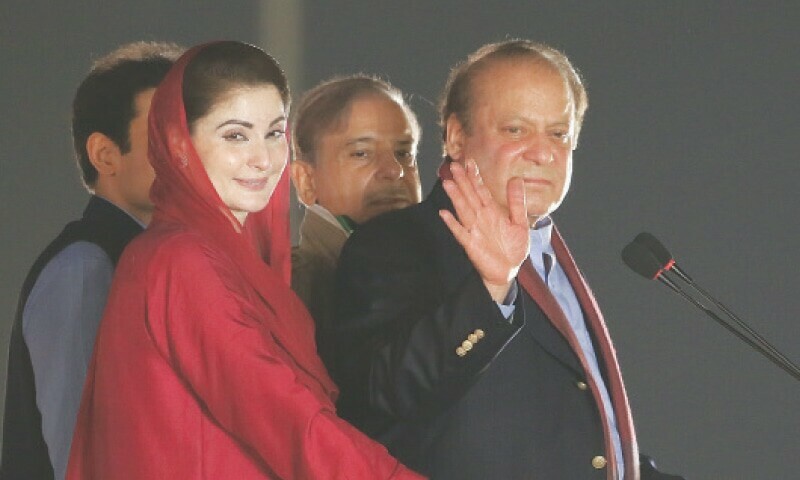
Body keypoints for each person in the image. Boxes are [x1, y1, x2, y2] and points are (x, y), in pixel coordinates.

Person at [328, 40, 684, 479]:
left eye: (559, 133)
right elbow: (385, 395)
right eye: (516, 130)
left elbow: (584, 442)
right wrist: (491, 288)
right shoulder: (395, 243)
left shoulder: (548, 254)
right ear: (456, 137)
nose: (543, 152)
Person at [65, 41, 422, 480]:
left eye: (274, 133)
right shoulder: (180, 260)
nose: (263, 159)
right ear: (179, 143)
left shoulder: (220, 258)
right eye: (235, 135)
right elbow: (285, 419)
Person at [1, 41, 183, 480]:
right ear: (104, 154)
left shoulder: (155, 261)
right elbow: (83, 458)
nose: (189, 156)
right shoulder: (84, 269)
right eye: (166, 135)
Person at [290, 75, 421, 343]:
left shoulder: (449, 275)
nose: (394, 171)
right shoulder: (290, 293)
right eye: (361, 153)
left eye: (404, 153)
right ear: (306, 181)